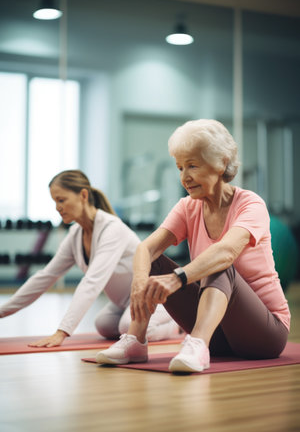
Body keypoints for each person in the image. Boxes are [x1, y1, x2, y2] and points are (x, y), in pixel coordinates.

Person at [95, 119, 291, 372]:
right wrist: (139, 282)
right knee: (152, 262)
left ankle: (197, 344)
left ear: (221, 162)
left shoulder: (251, 205)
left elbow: (225, 252)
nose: (184, 177)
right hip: (218, 332)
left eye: (192, 166)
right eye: (180, 168)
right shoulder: (188, 206)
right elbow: (146, 248)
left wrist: (177, 278)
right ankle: (135, 341)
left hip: (264, 333)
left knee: (219, 264)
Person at [0, 170, 178, 347]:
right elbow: (46, 276)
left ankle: (175, 325)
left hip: (154, 298)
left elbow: (92, 282)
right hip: (125, 302)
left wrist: (62, 332)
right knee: (104, 326)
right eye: (55, 201)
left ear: (83, 195)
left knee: (126, 327)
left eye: (61, 200)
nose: (57, 207)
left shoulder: (112, 229)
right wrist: (2, 311)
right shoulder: (76, 233)